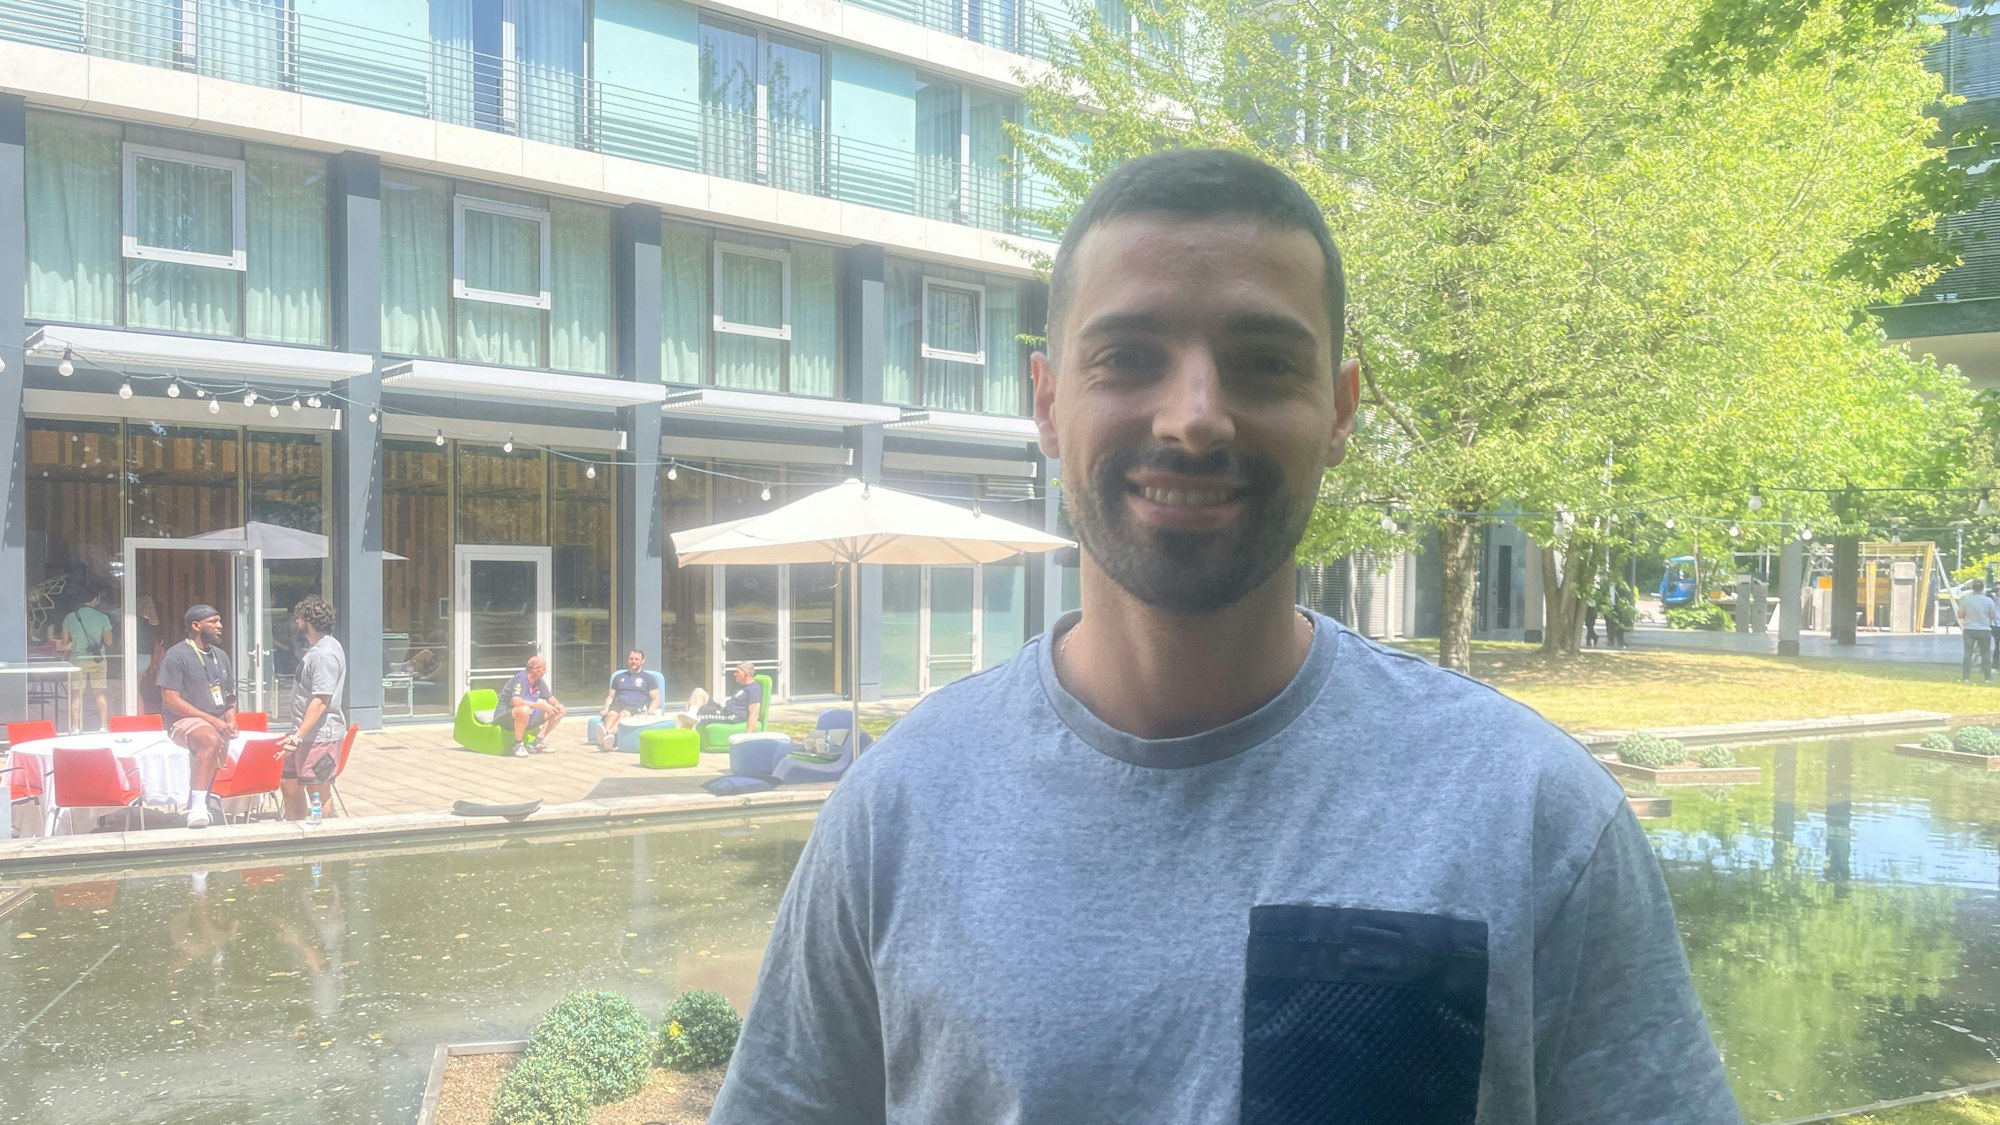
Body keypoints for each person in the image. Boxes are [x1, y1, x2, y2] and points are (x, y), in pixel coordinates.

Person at [712, 150, 1738, 1124]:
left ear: (1338, 411)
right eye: (1127, 357)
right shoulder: (897, 811)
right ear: (1046, 401)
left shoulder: (1529, 813)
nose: (1194, 418)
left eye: (1260, 363)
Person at [157, 604, 237, 830]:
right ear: (195, 625)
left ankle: (199, 803)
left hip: (217, 721)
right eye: (213, 621)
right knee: (210, 740)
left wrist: (232, 719)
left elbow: (229, 696)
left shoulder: (221, 656)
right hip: (184, 721)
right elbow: (170, 700)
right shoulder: (176, 655)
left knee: (213, 749)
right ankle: (199, 808)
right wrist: (211, 720)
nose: (220, 626)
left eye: (220, 621)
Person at [280, 596, 347, 820]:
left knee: (318, 792)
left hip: (321, 738)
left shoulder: (324, 654)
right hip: (303, 735)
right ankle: (294, 834)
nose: (296, 623)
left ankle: (330, 842)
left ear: (307, 621)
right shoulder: (317, 649)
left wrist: (297, 737)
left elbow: (321, 700)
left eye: (299, 618)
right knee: (289, 785)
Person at [61, 585, 114, 732]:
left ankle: (75, 727)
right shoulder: (103, 618)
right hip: (98, 660)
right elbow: (109, 641)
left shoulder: (69, 617)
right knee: (100, 692)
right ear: (95, 599)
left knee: (76, 695)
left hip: (77, 660)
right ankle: (103, 725)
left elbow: (65, 642)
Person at [498, 656, 565, 756]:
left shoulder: (539, 682)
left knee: (560, 710)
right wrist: (539, 705)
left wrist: (556, 705)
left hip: (528, 717)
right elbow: (516, 701)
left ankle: (536, 742)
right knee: (524, 709)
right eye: (543, 669)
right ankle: (518, 745)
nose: (545, 671)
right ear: (535, 669)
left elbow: (551, 699)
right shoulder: (521, 679)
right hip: (507, 717)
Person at [598, 649, 661, 751]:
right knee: (611, 714)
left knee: (623, 714)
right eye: (631, 659)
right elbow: (610, 696)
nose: (634, 661)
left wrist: (650, 711)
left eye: (637, 659)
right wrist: (605, 709)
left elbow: (656, 698)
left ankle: (607, 735)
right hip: (618, 703)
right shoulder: (619, 677)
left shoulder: (649, 678)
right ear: (628, 660)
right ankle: (607, 738)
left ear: (642, 661)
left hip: (635, 705)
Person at [677, 662, 762, 732]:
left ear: (746, 674)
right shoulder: (744, 687)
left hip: (731, 715)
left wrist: (747, 739)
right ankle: (691, 714)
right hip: (724, 709)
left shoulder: (754, 690)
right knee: (699, 692)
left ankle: (682, 738)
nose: (735, 674)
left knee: (699, 711)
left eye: (738, 672)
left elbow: (754, 714)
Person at [1960, 579, 1997, 684]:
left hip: (1969, 629)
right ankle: (1987, 677)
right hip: (1984, 629)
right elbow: (1992, 616)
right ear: (1982, 588)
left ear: (1972, 588)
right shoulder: (1988, 601)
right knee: (1985, 653)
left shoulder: (1966, 600)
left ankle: (1966, 677)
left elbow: (1960, 615)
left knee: (1968, 653)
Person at [136, 595, 164, 715]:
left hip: (135, 657)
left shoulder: (135, 622)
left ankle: (138, 714)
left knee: (134, 691)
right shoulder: (153, 625)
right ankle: (141, 713)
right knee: (137, 689)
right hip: (146, 658)